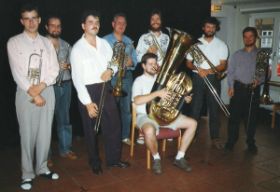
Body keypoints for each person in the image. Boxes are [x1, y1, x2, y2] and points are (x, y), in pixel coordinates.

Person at [70, 10, 129, 175]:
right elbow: (77, 79)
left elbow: (114, 62)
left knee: (114, 125)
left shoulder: (104, 43)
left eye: (96, 22)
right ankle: (94, 162)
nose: (94, 25)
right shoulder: (77, 49)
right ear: (83, 26)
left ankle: (114, 160)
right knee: (91, 130)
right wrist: (87, 103)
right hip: (88, 91)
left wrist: (111, 70)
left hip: (106, 87)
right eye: (90, 22)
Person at [7, 3, 59, 190]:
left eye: (34, 18)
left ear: (39, 20)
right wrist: (33, 92)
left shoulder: (47, 42)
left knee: (45, 133)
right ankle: (27, 174)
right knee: (27, 135)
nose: (31, 22)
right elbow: (17, 73)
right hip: (25, 93)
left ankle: (42, 167)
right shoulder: (13, 42)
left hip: (47, 91)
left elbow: (54, 69)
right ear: (22, 21)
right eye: (27, 18)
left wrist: (42, 87)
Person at [132, 53, 197, 174]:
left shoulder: (165, 79)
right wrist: (156, 94)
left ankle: (179, 157)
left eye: (155, 63)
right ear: (143, 66)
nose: (154, 66)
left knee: (193, 123)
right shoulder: (138, 81)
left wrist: (184, 98)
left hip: (166, 115)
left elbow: (173, 97)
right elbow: (136, 100)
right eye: (150, 64)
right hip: (145, 116)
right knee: (148, 130)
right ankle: (156, 158)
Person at [186, 17, 228, 149]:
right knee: (195, 108)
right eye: (208, 27)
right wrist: (199, 69)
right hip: (197, 77)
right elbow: (188, 63)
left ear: (216, 29)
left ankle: (215, 137)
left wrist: (208, 70)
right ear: (203, 28)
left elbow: (223, 65)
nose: (210, 29)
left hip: (213, 78)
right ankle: (192, 134)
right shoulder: (195, 44)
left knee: (214, 108)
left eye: (213, 27)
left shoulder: (222, 44)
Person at [225, 27, 264, 153]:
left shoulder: (261, 55)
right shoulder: (237, 54)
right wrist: (230, 86)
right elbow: (230, 72)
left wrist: (259, 80)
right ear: (243, 38)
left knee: (251, 118)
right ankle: (231, 141)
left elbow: (264, 74)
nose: (248, 39)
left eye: (250, 36)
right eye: (245, 37)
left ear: (255, 37)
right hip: (238, 88)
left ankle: (251, 143)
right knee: (234, 118)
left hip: (253, 89)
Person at [45, 15, 77, 162]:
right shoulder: (41, 44)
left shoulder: (66, 45)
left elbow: (73, 65)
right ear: (46, 27)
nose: (55, 28)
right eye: (52, 25)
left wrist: (68, 66)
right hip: (48, 86)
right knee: (46, 122)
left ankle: (65, 149)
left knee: (64, 118)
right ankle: (45, 155)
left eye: (58, 26)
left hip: (65, 84)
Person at [135, 9, 169, 144]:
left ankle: (162, 127)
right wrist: (147, 52)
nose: (155, 22)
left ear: (161, 21)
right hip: (148, 74)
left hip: (162, 74)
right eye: (152, 19)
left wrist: (164, 67)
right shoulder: (144, 38)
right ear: (149, 22)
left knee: (162, 102)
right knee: (146, 102)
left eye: (158, 19)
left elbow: (169, 56)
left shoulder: (167, 37)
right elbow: (138, 57)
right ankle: (143, 131)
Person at [103, 13, 137, 146]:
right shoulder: (104, 40)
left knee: (126, 109)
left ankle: (124, 136)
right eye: (118, 23)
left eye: (124, 23)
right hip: (112, 77)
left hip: (126, 77)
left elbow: (135, 60)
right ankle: (111, 136)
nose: (121, 25)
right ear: (113, 24)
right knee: (110, 108)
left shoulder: (129, 41)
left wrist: (131, 62)